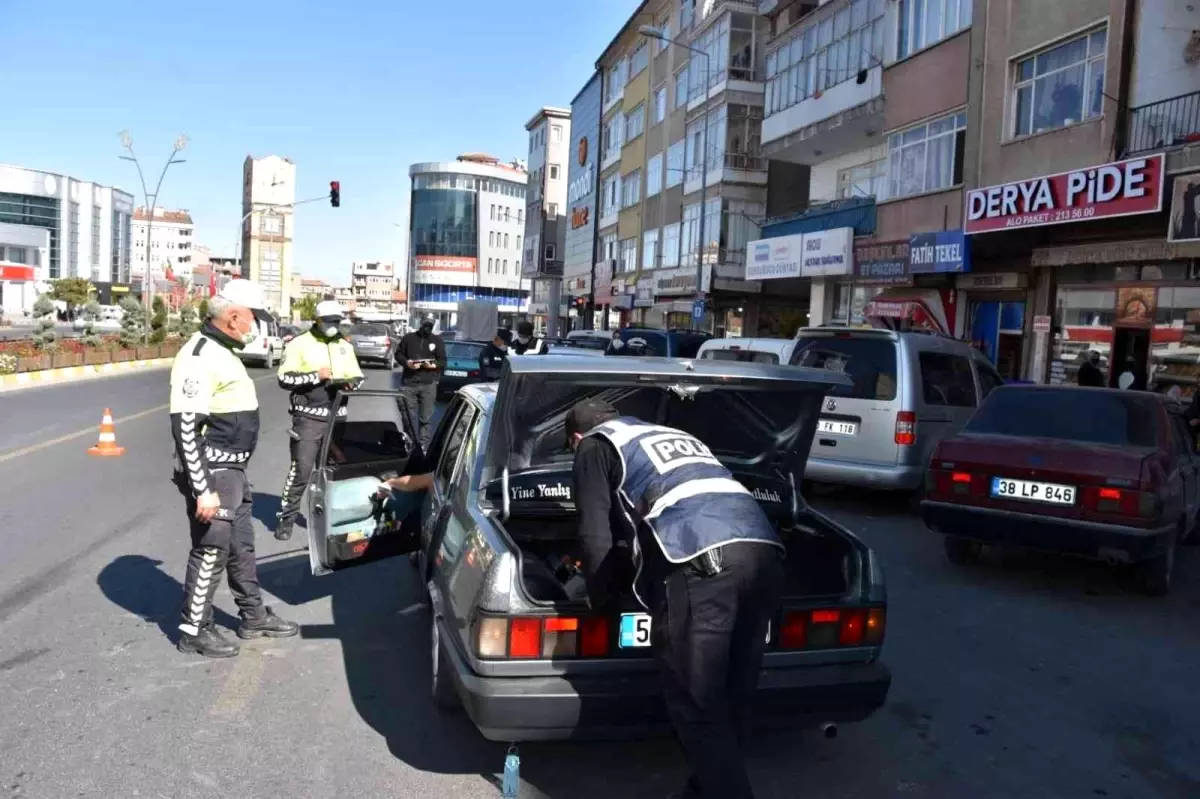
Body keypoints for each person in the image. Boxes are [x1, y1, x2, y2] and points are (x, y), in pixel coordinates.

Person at [566, 398, 785, 799]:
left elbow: (595, 537)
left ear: (576, 437)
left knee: (696, 702)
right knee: (733, 691)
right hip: (763, 549)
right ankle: (704, 789)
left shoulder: (594, 445)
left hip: (701, 557)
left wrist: (602, 602)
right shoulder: (669, 435)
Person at [169, 279, 298, 658]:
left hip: (233, 472)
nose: (255, 326)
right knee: (212, 548)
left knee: (241, 546)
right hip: (213, 472)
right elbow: (186, 429)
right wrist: (203, 488)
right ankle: (194, 629)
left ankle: (253, 616)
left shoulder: (223, 351)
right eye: (252, 319)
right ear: (233, 316)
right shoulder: (198, 356)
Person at [273, 299, 365, 541]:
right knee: (301, 471)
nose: (335, 325)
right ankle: (286, 519)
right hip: (309, 418)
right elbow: (284, 379)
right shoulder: (299, 344)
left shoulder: (344, 345)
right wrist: (316, 376)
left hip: (339, 418)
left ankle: (337, 521)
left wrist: (352, 383)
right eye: (330, 321)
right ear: (318, 320)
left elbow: (359, 377)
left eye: (338, 321)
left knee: (337, 473)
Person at [398, 314, 446, 449]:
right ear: (421, 323)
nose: (428, 327)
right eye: (426, 324)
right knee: (408, 417)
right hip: (409, 383)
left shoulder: (437, 341)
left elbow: (442, 361)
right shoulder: (409, 338)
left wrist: (430, 365)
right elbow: (398, 354)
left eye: (430, 325)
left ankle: (423, 446)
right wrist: (407, 363)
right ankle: (410, 443)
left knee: (425, 418)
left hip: (428, 384)